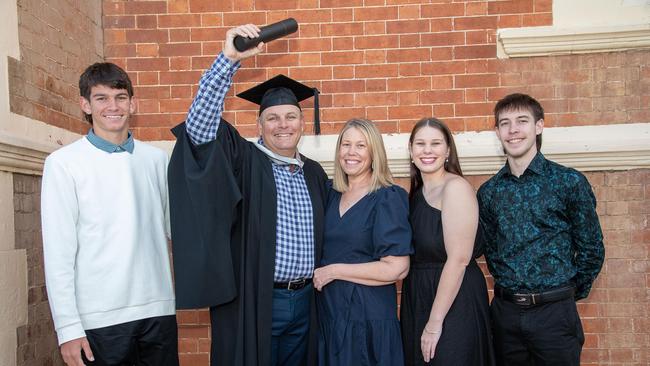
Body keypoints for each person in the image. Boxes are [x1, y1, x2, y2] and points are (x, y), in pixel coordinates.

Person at [167, 24, 328, 366]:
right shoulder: (244, 160)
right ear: (259, 126)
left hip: (306, 302)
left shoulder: (314, 173)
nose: (282, 124)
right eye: (272, 118)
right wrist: (227, 60)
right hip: (257, 298)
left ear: (302, 122)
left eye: (290, 116)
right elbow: (199, 129)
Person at [41, 63, 178, 366]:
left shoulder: (155, 159)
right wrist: (67, 328)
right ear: (85, 105)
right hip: (99, 318)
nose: (113, 106)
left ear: (133, 103)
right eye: (101, 98)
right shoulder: (64, 163)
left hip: (158, 311)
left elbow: (175, 230)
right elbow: (58, 254)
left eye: (120, 97)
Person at [477, 93, 605, 365]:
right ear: (497, 132)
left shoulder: (568, 182)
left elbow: (591, 249)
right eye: (505, 123)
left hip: (554, 314)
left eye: (522, 121)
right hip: (506, 315)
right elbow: (492, 252)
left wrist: (564, 292)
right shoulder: (489, 192)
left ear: (539, 126)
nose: (513, 130)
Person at [313, 118, 412, 366]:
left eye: (361, 146)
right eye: (346, 144)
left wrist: (334, 271)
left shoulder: (387, 197)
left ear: (374, 152)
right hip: (330, 313)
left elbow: (397, 267)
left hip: (368, 318)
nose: (351, 152)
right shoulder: (329, 194)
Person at [399, 118, 495, 366]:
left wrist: (434, 322)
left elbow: (459, 259)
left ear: (448, 150)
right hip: (419, 297)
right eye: (420, 143)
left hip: (453, 301)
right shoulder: (417, 194)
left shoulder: (456, 188)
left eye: (435, 143)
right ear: (411, 151)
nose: (427, 150)